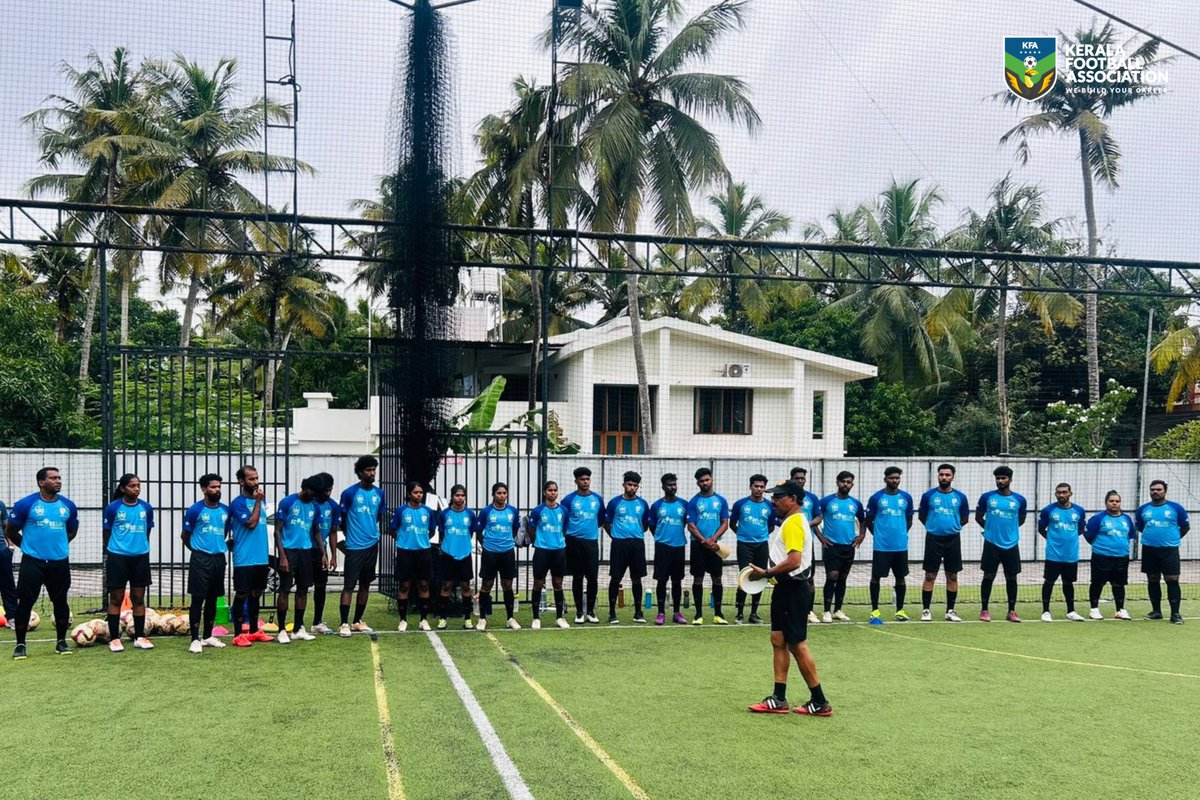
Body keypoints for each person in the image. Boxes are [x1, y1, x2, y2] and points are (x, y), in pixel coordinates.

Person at [746, 481, 832, 717]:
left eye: (778, 497)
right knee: (778, 639)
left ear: (792, 499)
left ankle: (820, 701)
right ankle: (779, 698)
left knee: (797, 644)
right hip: (785, 589)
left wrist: (766, 573)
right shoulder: (792, 520)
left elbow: (794, 561)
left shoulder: (794, 522)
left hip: (793, 589)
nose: (772, 501)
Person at [6, 467, 79, 659]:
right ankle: (20, 645)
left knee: (60, 601)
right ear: (41, 482)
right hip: (33, 562)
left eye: (59, 478)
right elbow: (11, 531)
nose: (58, 481)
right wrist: (29, 548)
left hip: (59, 562)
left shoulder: (68, 506)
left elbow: (72, 530)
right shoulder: (26, 504)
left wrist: (58, 546)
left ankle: (61, 642)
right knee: (26, 602)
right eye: (53, 478)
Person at [102, 473, 155, 652]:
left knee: (138, 598)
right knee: (116, 598)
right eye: (132, 486)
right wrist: (117, 549)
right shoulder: (113, 508)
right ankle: (115, 639)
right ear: (123, 488)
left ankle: (140, 636)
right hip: (118, 558)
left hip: (140, 558)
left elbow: (147, 531)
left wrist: (139, 547)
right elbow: (107, 533)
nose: (136, 489)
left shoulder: (146, 508)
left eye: (138, 485)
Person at [335, 455, 387, 636]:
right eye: (368, 470)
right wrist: (352, 537)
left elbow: (378, 517)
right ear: (360, 473)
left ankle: (357, 621)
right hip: (355, 547)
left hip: (372, 544)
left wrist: (372, 533)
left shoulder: (379, 493)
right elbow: (342, 520)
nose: (372, 473)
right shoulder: (349, 493)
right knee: (349, 585)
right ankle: (343, 623)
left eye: (374, 470)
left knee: (365, 584)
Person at [182, 474, 230, 653]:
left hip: (219, 558)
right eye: (213, 487)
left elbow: (225, 532)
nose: (217, 490)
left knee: (213, 598)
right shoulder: (195, 510)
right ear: (203, 489)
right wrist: (196, 550)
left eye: (219, 487)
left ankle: (208, 636)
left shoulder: (225, 510)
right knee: (198, 598)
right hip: (200, 558)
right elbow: (185, 535)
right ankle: (195, 639)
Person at [917, 464, 970, 622]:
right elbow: (922, 516)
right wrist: (934, 527)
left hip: (953, 539)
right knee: (930, 575)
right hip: (933, 538)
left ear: (953, 477)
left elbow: (965, 518)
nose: (944, 477)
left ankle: (950, 611)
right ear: (937, 476)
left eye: (947, 475)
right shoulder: (928, 496)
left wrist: (953, 526)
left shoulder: (960, 497)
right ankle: (926, 610)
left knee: (952, 575)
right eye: (941, 474)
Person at [976, 466, 1028, 623]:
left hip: (1011, 544)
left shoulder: (1019, 500)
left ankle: (1011, 611)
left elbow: (1021, 520)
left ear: (1010, 480)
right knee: (988, 576)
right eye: (998, 478)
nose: (1000, 481)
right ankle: (984, 610)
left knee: (1011, 577)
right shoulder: (987, 497)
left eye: (1003, 478)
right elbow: (979, 518)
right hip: (991, 543)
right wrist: (991, 530)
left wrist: (1008, 532)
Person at [229, 465, 274, 647]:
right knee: (242, 594)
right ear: (241, 481)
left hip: (260, 556)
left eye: (256, 478)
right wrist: (257, 502)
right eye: (251, 479)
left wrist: (258, 502)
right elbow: (250, 523)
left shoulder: (260, 501)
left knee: (256, 593)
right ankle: (239, 634)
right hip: (244, 558)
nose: (255, 482)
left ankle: (255, 631)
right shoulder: (238, 503)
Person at [1135, 480, 1189, 624]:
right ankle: (1156, 611)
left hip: (1169, 550)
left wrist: (1171, 539)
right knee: (1152, 579)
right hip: (1149, 550)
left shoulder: (1176, 508)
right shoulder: (1143, 509)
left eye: (1158, 489)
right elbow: (1141, 527)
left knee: (1172, 580)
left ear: (1165, 491)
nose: (1155, 492)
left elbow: (1185, 527)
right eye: (1152, 489)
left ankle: (1175, 614)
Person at [865, 467, 915, 624]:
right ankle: (875, 611)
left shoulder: (906, 497)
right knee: (876, 577)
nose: (894, 480)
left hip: (900, 546)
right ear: (885, 479)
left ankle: (900, 610)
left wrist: (901, 533)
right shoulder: (876, 498)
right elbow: (869, 520)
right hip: (881, 546)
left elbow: (909, 519)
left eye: (897, 478)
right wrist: (879, 534)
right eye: (891, 478)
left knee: (900, 578)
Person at [274, 476, 321, 643]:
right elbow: (277, 531)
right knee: (285, 589)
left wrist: (323, 553)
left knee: (303, 589)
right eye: (312, 492)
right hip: (289, 550)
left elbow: (316, 532)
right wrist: (283, 556)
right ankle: (281, 630)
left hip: (306, 552)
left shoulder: (315, 506)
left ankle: (298, 628)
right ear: (305, 488)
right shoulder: (287, 502)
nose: (314, 496)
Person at [603, 471, 651, 624]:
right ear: (623, 485)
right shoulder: (614, 503)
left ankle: (638, 612)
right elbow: (606, 522)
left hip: (637, 544)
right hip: (619, 544)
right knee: (616, 577)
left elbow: (645, 525)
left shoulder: (643, 504)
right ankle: (612, 612)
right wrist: (616, 536)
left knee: (637, 578)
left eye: (635, 485)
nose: (632, 488)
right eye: (629, 484)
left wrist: (633, 533)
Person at [816, 471, 865, 623]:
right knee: (832, 576)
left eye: (849, 482)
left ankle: (838, 610)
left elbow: (863, 521)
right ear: (837, 482)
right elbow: (815, 518)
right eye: (843, 481)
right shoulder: (826, 501)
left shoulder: (855, 503)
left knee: (843, 577)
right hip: (832, 545)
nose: (846, 484)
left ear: (852, 484)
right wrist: (820, 536)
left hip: (848, 546)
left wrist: (861, 535)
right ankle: (826, 611)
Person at [474, 482, 521, 631]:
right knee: (487, 584)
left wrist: (505, 542)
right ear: (493, 495)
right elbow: (479, 532)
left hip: (507, 552)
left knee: (507, 585)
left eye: (504, 493)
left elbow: (514, 530)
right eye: (499, 493)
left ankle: (510, 618)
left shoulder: (513, 511)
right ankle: (482, 619)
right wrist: (488, 545)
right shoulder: (486, 511)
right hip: (490, 552)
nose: (502, 496)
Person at [687, 468, 731, 625]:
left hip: (715, 546)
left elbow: (725, 523)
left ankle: (718, 613)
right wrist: (703, 540)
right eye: (701, 481)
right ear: (697, 483)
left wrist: (713, 539)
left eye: (707, 479)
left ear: (712, 480)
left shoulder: (721, 500)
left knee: (717, 579)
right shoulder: (693, 501)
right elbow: (691, 525)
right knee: (698, 579)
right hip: (698, 546)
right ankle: (698, 614)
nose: (704, 483)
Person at [1037, 483, 1086, 622]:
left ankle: (1071, 611)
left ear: (1070, 493)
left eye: (1064, 492)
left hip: (1071, 555)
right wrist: (1052, 540)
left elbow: (1081, 529)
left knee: (1068, 583)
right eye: (1058, 492)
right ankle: (1045, 611)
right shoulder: (1049, 510)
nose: (1061, 495)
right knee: (1049, 581)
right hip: (1053, 554)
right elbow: (1041, 529)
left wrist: (1068, 540)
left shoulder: (1079, 511)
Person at [390, 481, 436, 632]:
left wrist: (420, 541)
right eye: (416, 492)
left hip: (423, 552)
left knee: (423, 585)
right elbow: (393, 529)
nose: (419, 495)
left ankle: (423, 620)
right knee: (404, 586)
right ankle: (403, 620)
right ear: (409, 494)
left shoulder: (428, 512)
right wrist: (405, 540)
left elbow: (432, 531)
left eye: (421, 493)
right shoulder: (401, 510)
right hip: (405, 552)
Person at [562, 467, 603, 624]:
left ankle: (591, 611)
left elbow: (599, 520)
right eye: (582, 479)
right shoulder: (569, 500)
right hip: (573, 542)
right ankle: (579, 612)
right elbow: (563, 520)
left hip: (591, 542)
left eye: (587, 479)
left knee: (592, 577)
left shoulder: (597, 499)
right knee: (577, 577)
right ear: (576, 481)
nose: (585, 482)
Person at [1086, 490, 1135, 621]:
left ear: (1120, 503)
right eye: (1111, 501)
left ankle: (1120, 610)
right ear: (1106, 503)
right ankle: (1094, 609)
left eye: (1117, 501)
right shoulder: (1098, 519)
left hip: (1122, 557)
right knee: (1097, 583)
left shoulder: (1126, 519)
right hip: (1101, 557)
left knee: (1119, 584)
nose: (1114, 503)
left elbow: (1130, 535)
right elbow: (1089, 535)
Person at [731, 474, 774, 624]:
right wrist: (743, 535)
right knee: (744, 577)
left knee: (760, 576)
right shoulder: (740, 504)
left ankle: (754, 613)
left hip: (762, 545)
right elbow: (732, 523)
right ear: (750, 487)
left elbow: (771, 526)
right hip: (744, 545)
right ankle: (739, 613)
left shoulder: (769, 506)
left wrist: (761, 536)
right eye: (756, 486)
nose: (759, 489)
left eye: (762, 487)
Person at [527, 480, 569, 630]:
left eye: (555, 490)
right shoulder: (538, 510)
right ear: (545, 492)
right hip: (542, 551)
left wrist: (557, 541)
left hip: (559, 551)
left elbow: (564, 529)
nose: (553, 493)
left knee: (558, 583)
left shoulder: (563, 510)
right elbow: (531, 529)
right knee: (538, 583)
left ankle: (559, 617)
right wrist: (538, 542)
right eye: (550, 490)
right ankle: (536, 618)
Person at [649, 474, 689, 625]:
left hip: (679, 547)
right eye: (669, 485)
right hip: (662, 548)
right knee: (661, 580)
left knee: (677, 581)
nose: (672, 487)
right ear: (663, 487)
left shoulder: (684, 505)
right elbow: (652, 526)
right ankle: (660, 613)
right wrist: (662, 537)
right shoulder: (657, 506)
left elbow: (688, 523)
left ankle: (677, 612)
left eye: (674, 484)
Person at [436, 484, 476, 630]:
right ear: (452, 497)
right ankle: (442, 618)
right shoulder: (444, 514)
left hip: (464, 554)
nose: (460, 498)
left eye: (462, 495)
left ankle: (467, 618)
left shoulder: (470, 514)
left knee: (465, 586)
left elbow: (471, 532)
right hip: (448, 554)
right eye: (457, 495)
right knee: (446, 585)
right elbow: (441, 532)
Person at [309, 473, 339, 635]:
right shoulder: (310, 503)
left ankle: (317, 622)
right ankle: (298, 624)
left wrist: (333, 555)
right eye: (325, 490)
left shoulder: (333, 506)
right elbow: (315, 532)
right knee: (301, 587)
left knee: (321, 585)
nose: (328, 493)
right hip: (306, 549)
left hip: (322, 552)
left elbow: (333, 531)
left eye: (330, 490)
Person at [0, 498, 16, 627]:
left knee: (8, 585)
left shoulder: (0, 504)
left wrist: (10, 547)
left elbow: (6, 526)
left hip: (2, 551)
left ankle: (12, 618)